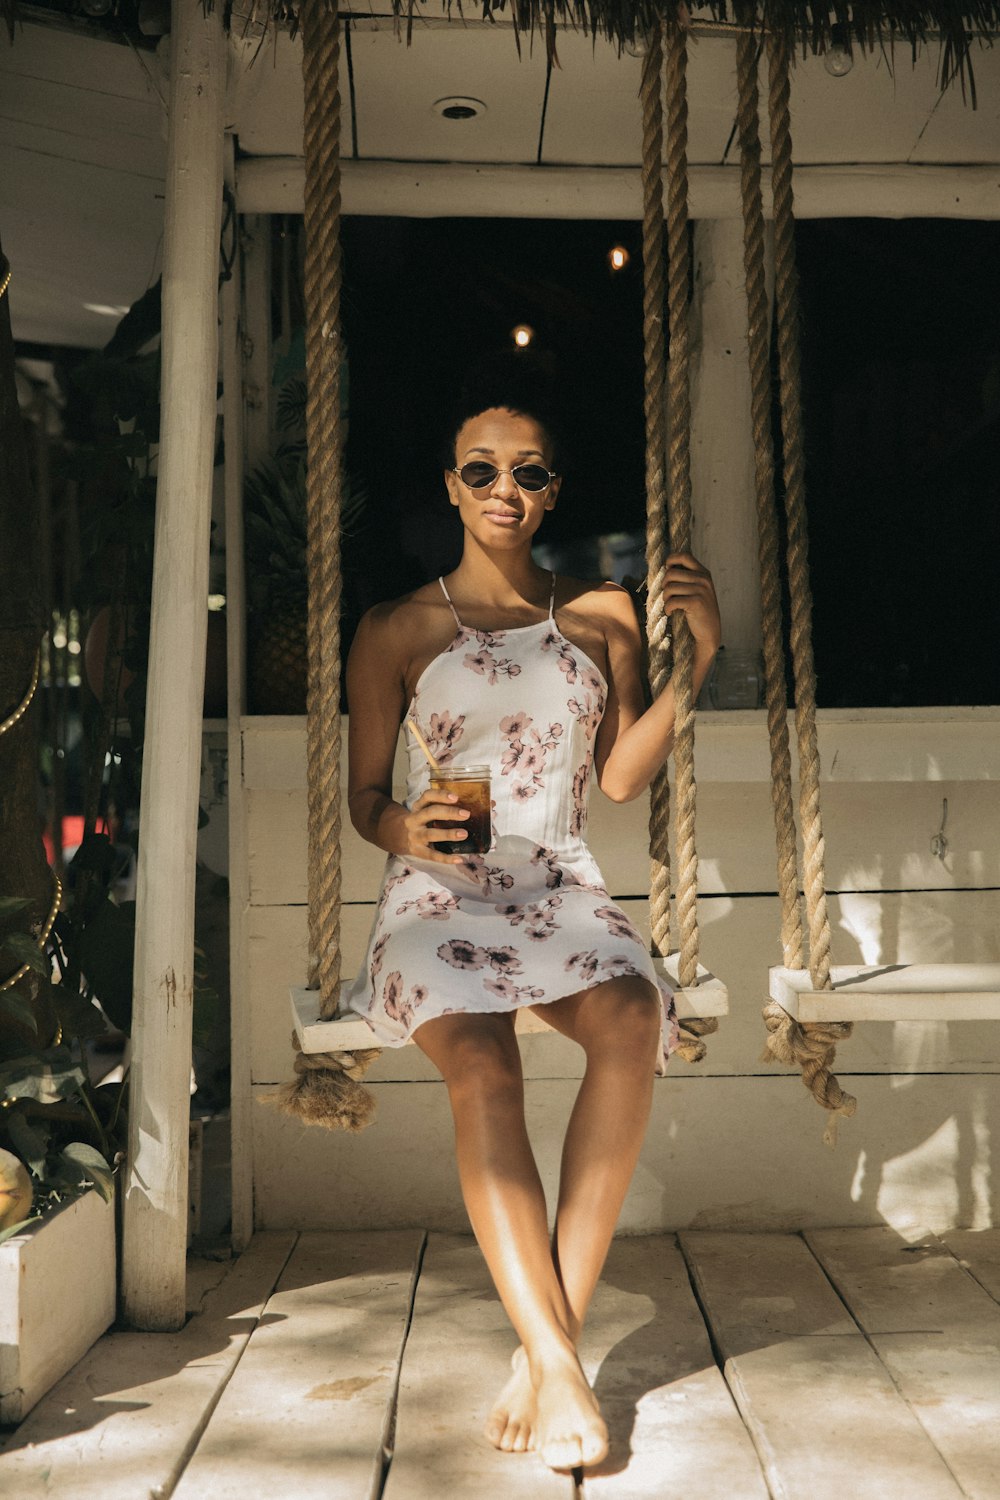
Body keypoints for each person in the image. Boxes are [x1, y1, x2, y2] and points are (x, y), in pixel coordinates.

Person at [344, 365, 721, 1474]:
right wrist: (405, 831)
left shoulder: (600, 617)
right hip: (438, 894)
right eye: (481, 470)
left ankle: (544, 1349)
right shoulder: (394, 627)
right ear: (451, 488)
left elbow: (615, 785)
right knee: (485, 1066)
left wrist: (694, 663)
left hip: (559, 888)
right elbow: (366, 799)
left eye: (527, 471)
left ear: (550, 493)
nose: (503, 486)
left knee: (627, 1021)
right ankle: (557, 1357)